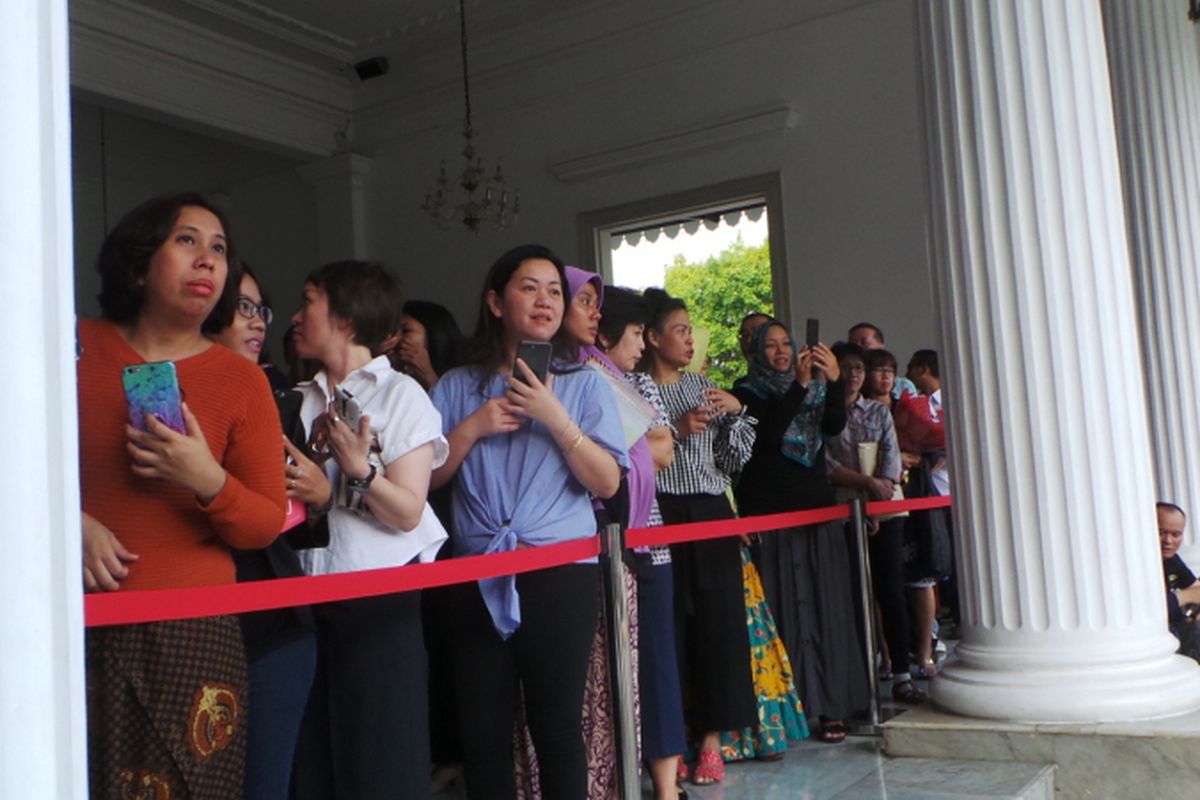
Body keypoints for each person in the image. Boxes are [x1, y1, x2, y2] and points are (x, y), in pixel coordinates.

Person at [79, 193, 286, 799]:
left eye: (219, 249)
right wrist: (64, 520)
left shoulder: (241, 380)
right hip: (75, 621)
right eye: (187, 241)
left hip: (194, 637)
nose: (208, 261)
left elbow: (264, 524)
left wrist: (207, 479)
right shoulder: (71, 348)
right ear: (139, 263)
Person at [430, 245, 627, 800]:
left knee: (557, 726)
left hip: (559, 571)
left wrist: (555, 418)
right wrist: (470, 429)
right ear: (495, 301)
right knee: (482, 731)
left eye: (554, 290)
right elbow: (426, 480)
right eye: (528, 287)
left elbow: (607, 482)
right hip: (476, 571)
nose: (545, 301)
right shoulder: (455, 386)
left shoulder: (584, 383)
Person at [289, 260, 450, 800]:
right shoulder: (300, 398)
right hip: (308, 598)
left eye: (308, 300)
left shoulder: (401, 395)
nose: (295, 316)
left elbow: (407, 511)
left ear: (343, 316)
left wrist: (360, 471)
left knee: (382, 758)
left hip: (378, 601)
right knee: (316, 759)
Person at [207, 264, 328, 800]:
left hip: (276, 624)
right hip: (195, 620)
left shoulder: (282, 404)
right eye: (244, 308)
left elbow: (296, 532)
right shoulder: (164, 397)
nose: (258, 323)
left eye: (262, 310)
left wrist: (322, 497)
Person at [732, 320, 870, 743]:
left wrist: (828, 383)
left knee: (825, 609)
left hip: (815, 511)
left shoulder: (811, 387)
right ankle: (787, 710)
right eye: (770, 346)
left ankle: (832, 707)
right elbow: (768, 436)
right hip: (770, 517)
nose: (780, 353)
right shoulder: (744, 393)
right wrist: (799, 385)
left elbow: (831, 427)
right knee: (782, 611)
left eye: (785, 345)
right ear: (755, 352)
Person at [639, 288, 756, 785]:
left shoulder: (704, 387)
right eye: (681, 330)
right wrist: (678, 432)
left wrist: (736, 412)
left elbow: (729, 465)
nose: (690, 340)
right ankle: (674, 738)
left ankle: (712, 739)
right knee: (669, 626)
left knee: (718, 622)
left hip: (709, 509)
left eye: (691, 331)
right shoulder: (635, 390)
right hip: (660, 509)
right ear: (652, 336)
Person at [593, 284, 687, 800]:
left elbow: (664, 449)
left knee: (655, 661)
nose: (640, 347)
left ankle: (667, 787)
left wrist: (617, 444)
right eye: (632, 335)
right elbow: (643, 446)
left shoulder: (638, 386)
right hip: (593, 546)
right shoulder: (582, 380)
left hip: (648, 542)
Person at [828, 344, 924, 705]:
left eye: (858, 368)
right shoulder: (824, 413)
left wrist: (878, 486)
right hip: (841, 509)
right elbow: (825, 462)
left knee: (891, 590)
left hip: (884, 508)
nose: (853, 374)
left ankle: (902, 672)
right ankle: (858, 675)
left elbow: (890, 454)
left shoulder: (877, 411)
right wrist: (862, 483)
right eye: (846, 367)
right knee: (851, 593)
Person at [901, 348, 952, 678]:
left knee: (940, 563)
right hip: (922, 490)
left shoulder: (948, 402)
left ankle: (938, 632)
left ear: (922, 368)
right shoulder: (912, 405)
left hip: (945, 490)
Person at [388, 299, 464, 391]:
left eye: (406, 331)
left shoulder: (461, 378)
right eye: (392, 332)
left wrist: (427, 373)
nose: (394, 338)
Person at [1159, 503, 1200, 637]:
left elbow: (1195, 587)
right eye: (1160, 532)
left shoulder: (1171, 559)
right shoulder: (1137, 563)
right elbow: (1146, 610)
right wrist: (1184, 597)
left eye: (1176, 534)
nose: (1168, 541)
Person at [847, 322, 918, 399]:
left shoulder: (903, 386)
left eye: (864, 342)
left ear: (881, 345)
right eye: (853, 343)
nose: (858, 348)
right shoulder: (848, 382)